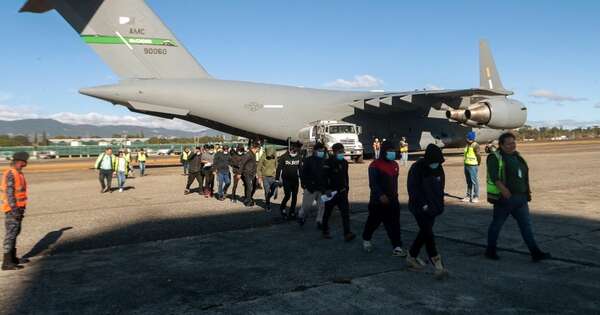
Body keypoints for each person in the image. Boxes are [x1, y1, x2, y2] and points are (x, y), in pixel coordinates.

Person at [485, 132, 551, 262]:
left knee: (526, 226)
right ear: (501, 145)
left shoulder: (517, 157)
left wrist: (526, 193)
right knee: (497, 225)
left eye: (513, 142)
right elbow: (494, 177)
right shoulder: (495, 157)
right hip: (505, 200)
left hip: (521, 199)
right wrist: (504, 191)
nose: (512, 145)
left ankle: (535, 252)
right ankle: (490, 250)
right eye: (509, 143)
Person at [405, 144, 448, 279]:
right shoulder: (417, 168)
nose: (436, 164)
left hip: (433, 208)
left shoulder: (439, 168)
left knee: (424, 233)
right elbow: (413, 189)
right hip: (419, 208)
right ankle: (437, 264)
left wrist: (439, 205)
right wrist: (423, 205)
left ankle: (411, 256)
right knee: (428, 234)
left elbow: (440, 189)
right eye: (434, 162)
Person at [362, 141, 405, 257]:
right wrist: (381, 195)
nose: (391, 153)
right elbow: (373, 184)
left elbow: (394, 183)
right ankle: (366, 239)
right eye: (389, 150)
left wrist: (395, 197)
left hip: (393, 201)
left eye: (393, 150)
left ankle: (397, 246)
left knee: (394, 224)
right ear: (383, 151)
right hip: (378, 201)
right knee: (373, 222)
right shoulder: (374, 165)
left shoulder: (395, 165)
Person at [1, 152, 30, 270]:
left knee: (15, 232)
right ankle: (7, 263)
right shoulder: (11, 173)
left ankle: (13, 258)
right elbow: (9, 193)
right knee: (11, 234)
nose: (27, 162)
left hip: (18, 208)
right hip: (13, 209)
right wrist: (14, 210)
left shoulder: (18, 173)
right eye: (25, 160)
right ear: (20, 161)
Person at [321, 143, 355, 241]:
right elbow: (324, 177)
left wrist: (347, 187)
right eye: (340, 152)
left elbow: (345, 176)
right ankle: (325, 231)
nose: (342, 153)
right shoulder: (328, 162)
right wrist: (326, 189)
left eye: (343, 152)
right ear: (335, 152)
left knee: (345, 213)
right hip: (331, 193)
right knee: (327, 213)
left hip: (342, 192)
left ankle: (347, 233)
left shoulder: (344, 162)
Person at [298, 142, 328, 227]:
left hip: (321, 188)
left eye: (322, 151)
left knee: (322, 206)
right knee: (306, 207)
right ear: (315, 151)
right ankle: (301, 217)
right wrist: (304, 184)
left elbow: (326, 175)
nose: (321, 152)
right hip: (311, 188)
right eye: (320, 151)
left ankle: (319, 221)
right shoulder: (308, 160)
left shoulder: (324, 161)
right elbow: (303, 173)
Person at [276, 142, 302, 219]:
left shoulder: (299, 157)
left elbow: (300, 169)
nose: (297, 150)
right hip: (286, 180)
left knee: (294, 196)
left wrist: (303, 180)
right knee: (287, 195)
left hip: (295, 180)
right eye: (296, 148)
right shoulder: (284, 157)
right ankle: (282, 207)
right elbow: (279, 168)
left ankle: (292, 211)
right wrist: (277, 179)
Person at [257, 146, 279, 212]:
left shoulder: (275, 156)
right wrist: (259, 177)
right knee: (267, 192)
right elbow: (258, 168)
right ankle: (267, 205)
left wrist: (278, 176)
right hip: (265, 177)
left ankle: (274, 191)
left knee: (272, 192)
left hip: (273, 177)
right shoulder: (263, 157)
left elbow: (277, 166)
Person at [462, 131, 481, 203]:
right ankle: (468, 196)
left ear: (471, 138)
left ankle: (476, 196)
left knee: (474, 181)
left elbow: (478, 156)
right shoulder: (467, 145)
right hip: (466, 165)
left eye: (467, 138)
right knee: (468, 181)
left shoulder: (475, 145)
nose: (466, 139)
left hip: (473, 166)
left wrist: (478, 163)